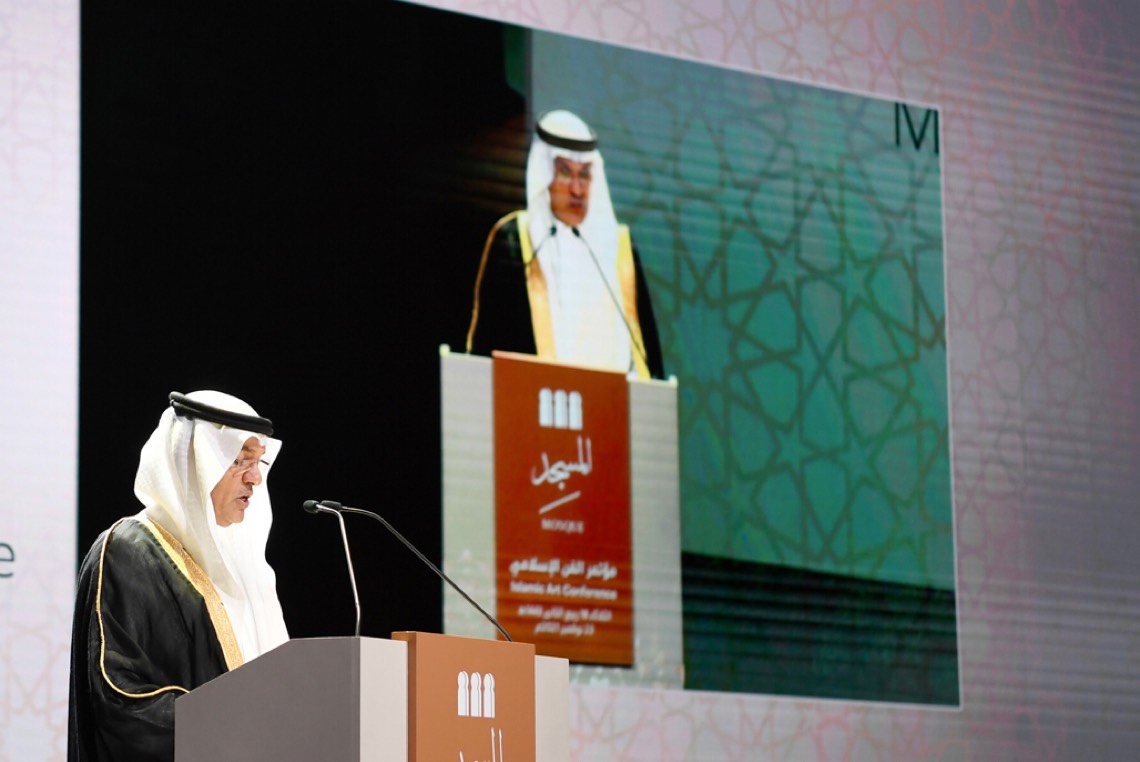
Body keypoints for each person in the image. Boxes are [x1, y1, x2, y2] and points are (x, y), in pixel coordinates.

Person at [68, 391, 289, 762]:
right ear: (193, 461)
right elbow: (117, 698)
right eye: (239, 460)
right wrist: (234, 726)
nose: (255, 478)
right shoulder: (129, 550)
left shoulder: (247, 571)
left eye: (258, 462)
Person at [466, 109, 665, 380]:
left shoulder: (619, 248)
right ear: (545, 174)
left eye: (584, 175)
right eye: (564, 172)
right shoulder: (514, 240)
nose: (576, 189)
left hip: (613, 402)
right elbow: (485, 353)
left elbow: (649, 357)